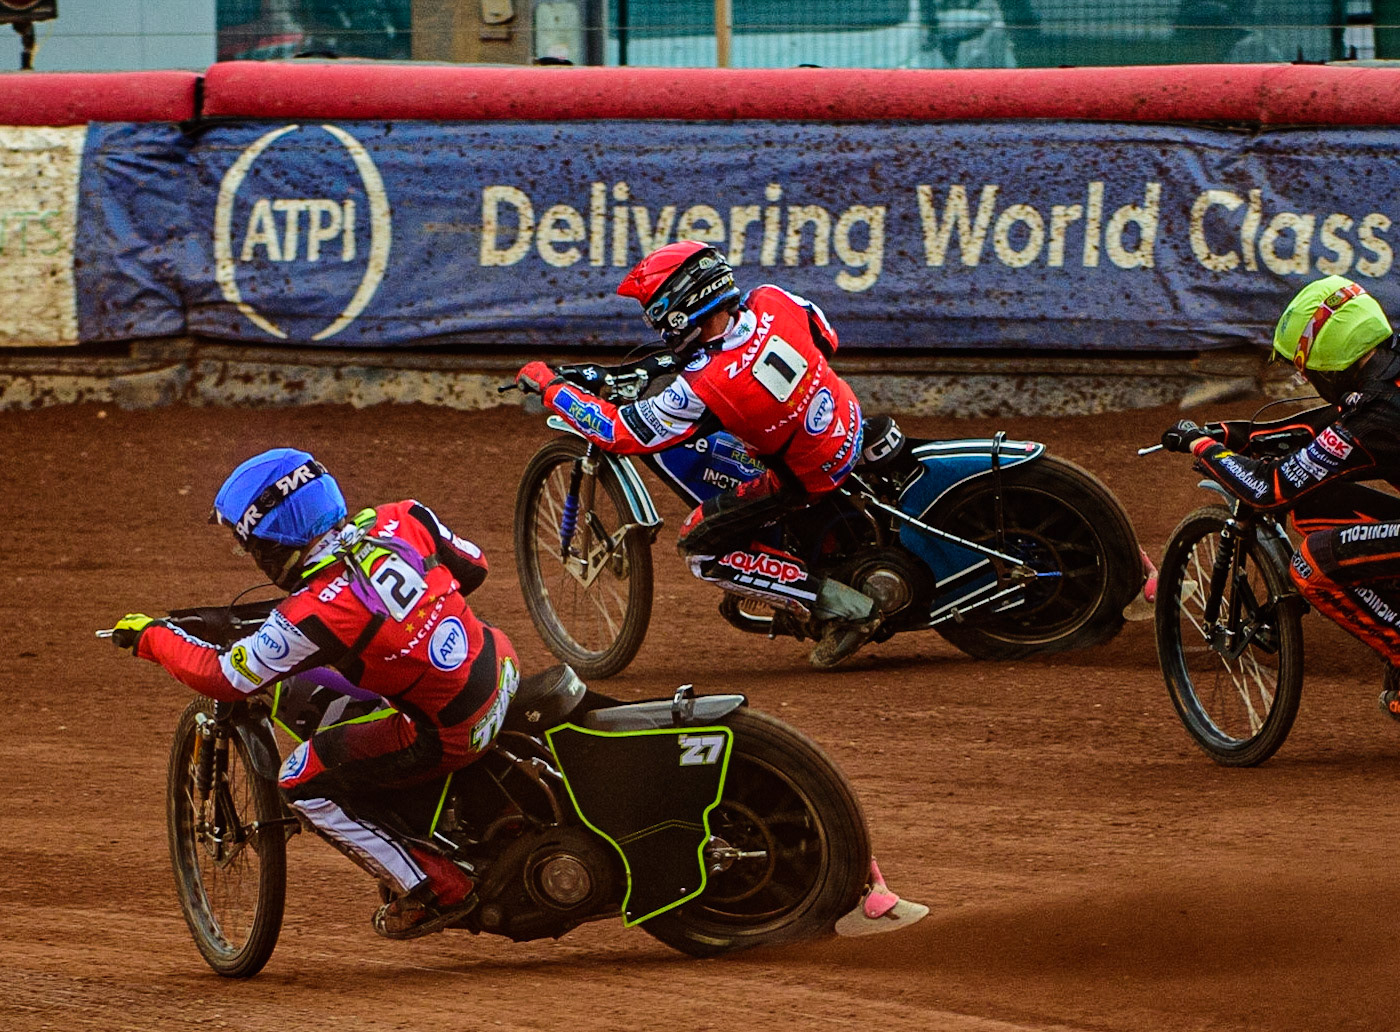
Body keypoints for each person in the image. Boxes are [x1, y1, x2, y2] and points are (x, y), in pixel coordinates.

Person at [110, 449, 520, 939]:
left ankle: (436, 889)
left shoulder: (312, 616)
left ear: (272, 545)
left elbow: (224, 676)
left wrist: (151, 637)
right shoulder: (404, 516)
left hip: (453, 732)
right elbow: (474, 568)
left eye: (252, 548)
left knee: (299, 779)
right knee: (382, 682)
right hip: (501, 665)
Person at [1159, 276, 1400, 722]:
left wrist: (1205, 448)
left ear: (1330, 369)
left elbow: (1270, 489)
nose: (1308, 379)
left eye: (1308, 371)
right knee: (1325, 507)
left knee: (1311, 566)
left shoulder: (1377, 423)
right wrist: (1246, 436)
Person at [518, 241, 881, 670]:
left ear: (675, 311)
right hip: (849, 422)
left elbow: (618, 431)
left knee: (700, 547)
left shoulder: (705, 388)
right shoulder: (774, 299)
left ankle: (845, 609)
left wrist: (550, 388)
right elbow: (826, 338)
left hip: (806, 477)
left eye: (654, 312)